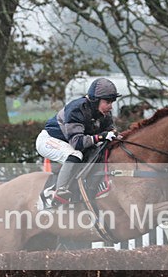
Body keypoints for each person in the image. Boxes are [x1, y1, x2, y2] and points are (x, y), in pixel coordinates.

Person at [36, 77, 121, 207]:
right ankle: (59, 190)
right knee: (75, 155)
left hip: (69, 142)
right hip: (49, 140)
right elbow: (77, 143)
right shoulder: (77, 109)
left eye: (112, 102)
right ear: (95, 100)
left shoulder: (104, 113)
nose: (110, 106)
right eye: (107, 102)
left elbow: (110, 132)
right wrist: (101, 137)